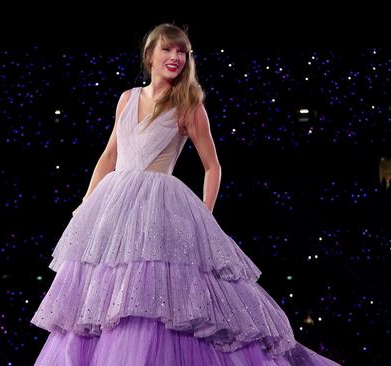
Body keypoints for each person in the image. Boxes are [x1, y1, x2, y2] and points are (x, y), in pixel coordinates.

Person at [31, 23, 341, 365]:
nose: (176, 57)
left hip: (158, 203)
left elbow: (213, 167)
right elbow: (109, 155)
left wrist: (204, 219)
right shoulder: (128, 98)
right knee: (104, 289)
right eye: (168, 49)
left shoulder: (189, 105)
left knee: (153, 288)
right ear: (150, 56)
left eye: (182, 52)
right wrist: (86, 205)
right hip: (114, 204)